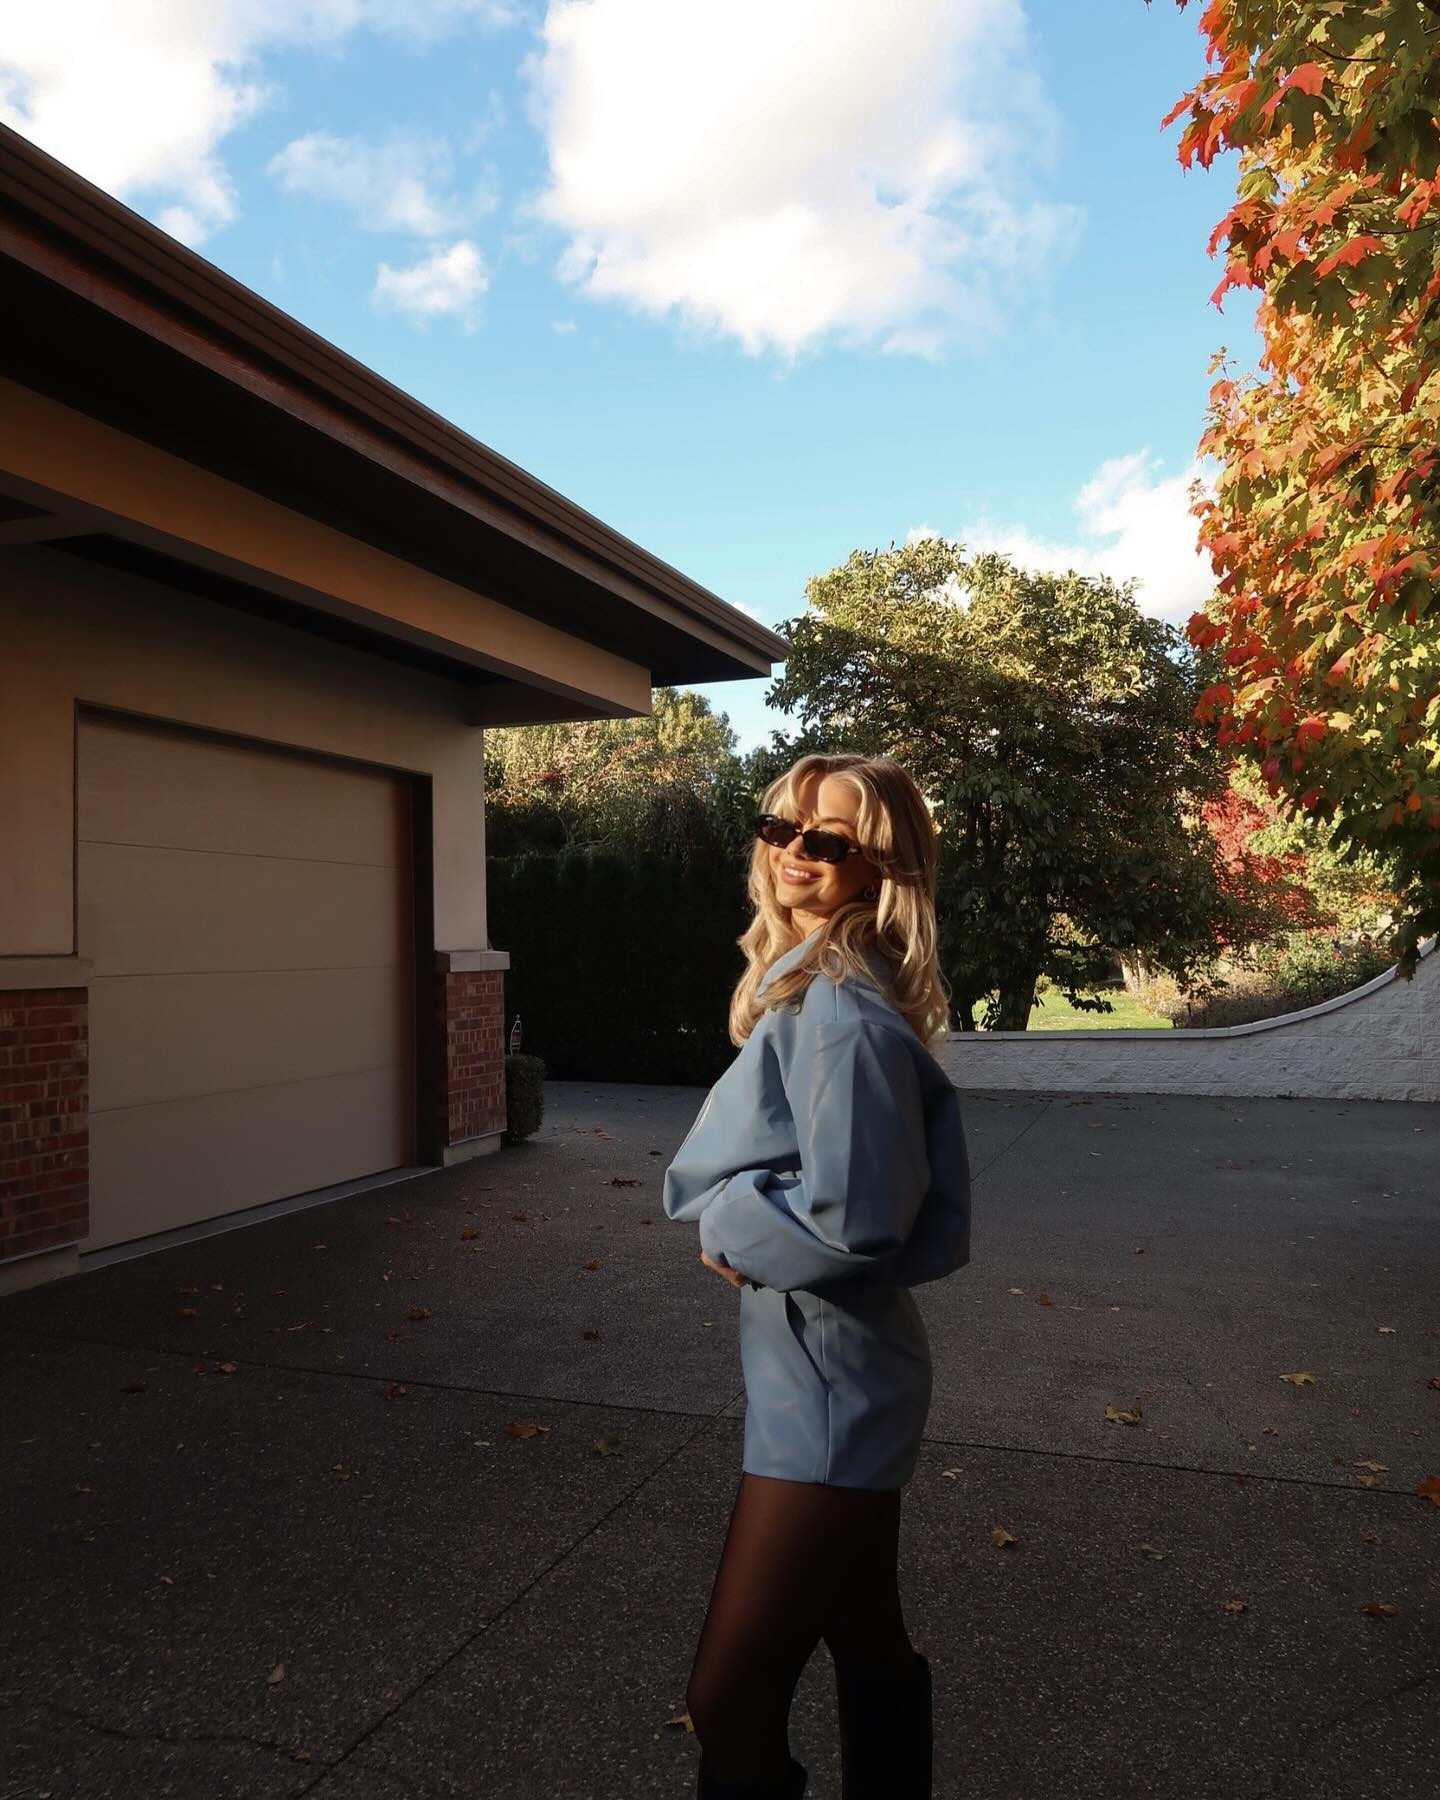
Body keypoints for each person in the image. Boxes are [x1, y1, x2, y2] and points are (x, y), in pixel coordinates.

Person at [663, 752, 971, 1800]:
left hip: (832, 1388)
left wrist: (728, 1221)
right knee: (867, 1639)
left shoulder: (838, 1012)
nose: (797, 851)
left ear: (883, 869)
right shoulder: (811, 987)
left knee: (727, 1698)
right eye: (784, 828)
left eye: (829, 839)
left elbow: (860, 1221)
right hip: (830, 1368)